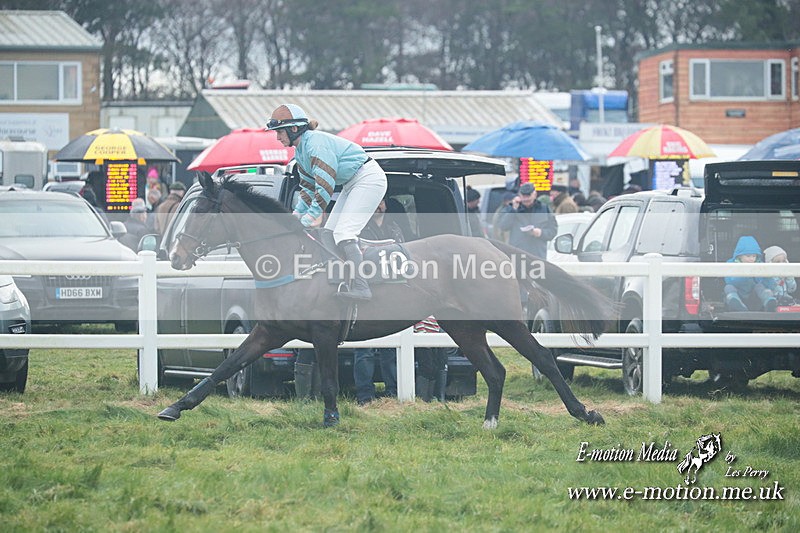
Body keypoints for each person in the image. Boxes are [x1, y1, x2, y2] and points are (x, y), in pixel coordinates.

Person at [266, 103, 387, 301]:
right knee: (328, 233)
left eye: (279, 132)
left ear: (293, 129)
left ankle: (361, 286)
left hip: (368, 178)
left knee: (344, 233)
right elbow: (307, 189)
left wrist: (308, 220)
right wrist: (295, 216)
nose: (277, 137)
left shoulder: (315, 145)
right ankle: (339, 280)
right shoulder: (300, 152)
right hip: (351, 183)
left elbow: (324, 188)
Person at [352, 197, 405, 404]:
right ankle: (365, 397)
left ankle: (393, 394)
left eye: (381, 202)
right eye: (374, 201)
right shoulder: (358, 230)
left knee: (391, 349)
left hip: (391, 295)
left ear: (386, 205)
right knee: (363, 350)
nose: (377, 205)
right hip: (368, 293)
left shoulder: (394, 228)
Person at [496, 181, 557, 259]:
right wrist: (513, 209)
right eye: (523, 196)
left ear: (535, 194)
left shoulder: (544, 209)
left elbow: (553, 230)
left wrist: (541, 233)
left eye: (528, 196)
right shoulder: (512, 208)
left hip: (538, 255)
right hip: (518, 255)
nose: (526, 199)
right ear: (519, 195)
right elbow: (503, 226)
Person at [724, 236, 777, 312]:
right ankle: (736, 304)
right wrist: (746, 273)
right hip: (739, 295)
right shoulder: (731, 264)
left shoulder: (760, 265)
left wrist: (766, 276)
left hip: (755, 298)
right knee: (728, 287)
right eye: (748, 256)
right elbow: (730, 280)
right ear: (739, 256)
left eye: (754, 256)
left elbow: (769, 284)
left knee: (759, 286)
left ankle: (768, 301)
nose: (752, 259)